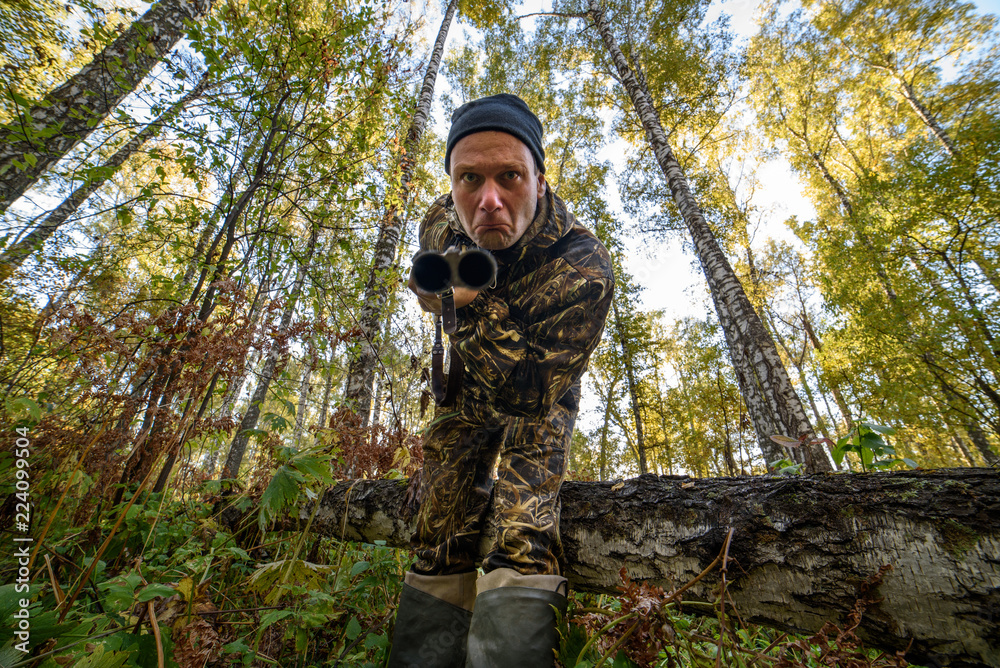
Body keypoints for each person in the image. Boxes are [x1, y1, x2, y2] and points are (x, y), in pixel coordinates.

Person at [388, 94, 614, 668]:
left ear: (539, 178)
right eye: (470, 179)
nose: (488, 201)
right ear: (452, 182)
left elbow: (528, 393)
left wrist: (474, 304)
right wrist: (440, 296)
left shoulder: (582, 263)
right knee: (438, 531)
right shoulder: (440, 219)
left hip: (537, 391)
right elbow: (432, 284)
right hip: (465, 387)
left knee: (521, 536)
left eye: (510, 176)